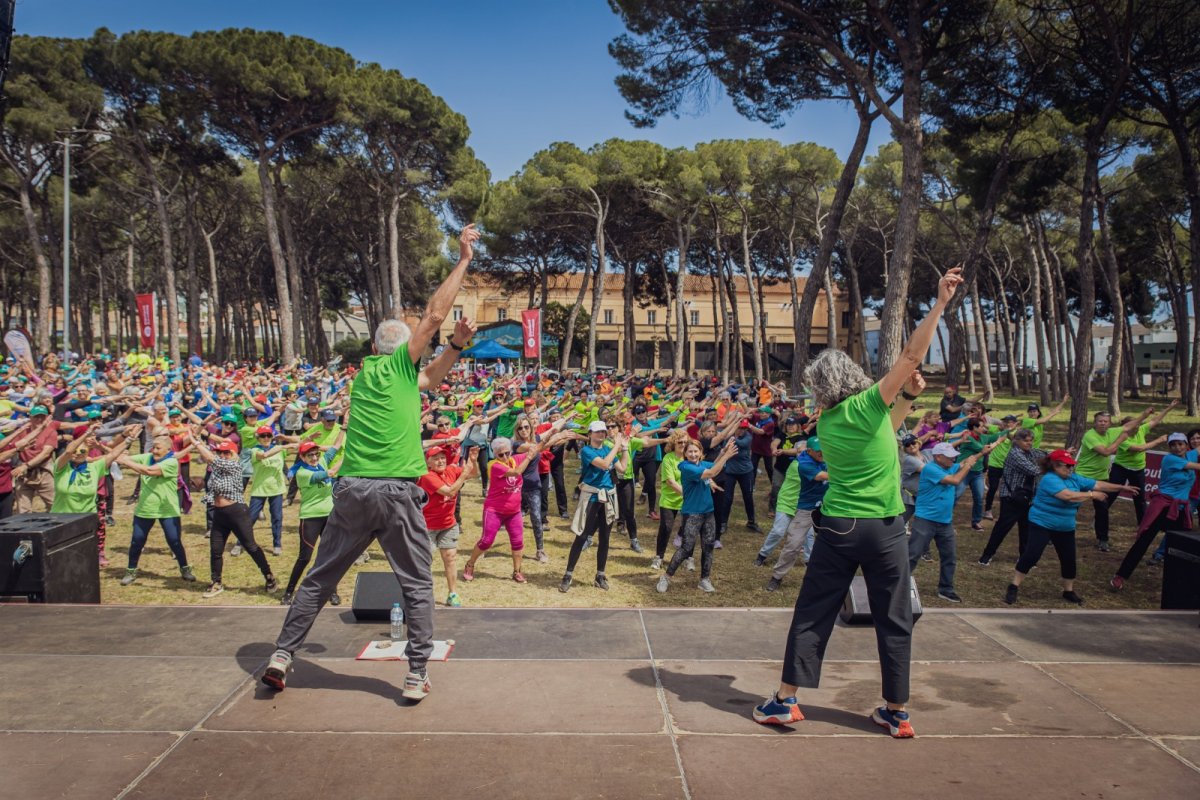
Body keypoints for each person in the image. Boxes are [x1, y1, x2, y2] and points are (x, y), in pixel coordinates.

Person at [262, 224, 481, 702]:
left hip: (353, 490)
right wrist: (463, 258)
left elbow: (431, 378)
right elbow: (434, 313)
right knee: (418, 585)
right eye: (416, 345)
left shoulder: (371, 375)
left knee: (320, 579)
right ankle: (416, 672)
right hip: (395, 492)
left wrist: (457, 347)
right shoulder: (399, 365)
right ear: (403, 349)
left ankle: (282, 655)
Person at [752, 265, 964, 739]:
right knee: (895, 618)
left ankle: (786, 701)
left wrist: (906, 398)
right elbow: (911, 353)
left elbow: (885, 435)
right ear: (853, 376)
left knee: (814, 612)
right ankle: (896, 711)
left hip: (841, 527)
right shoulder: (867, 402)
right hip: (887, 529)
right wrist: (939, 304)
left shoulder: (828, 423)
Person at [1004, 449, 1133, 606]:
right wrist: (1092, 495)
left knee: (1069, 559)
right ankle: (1014, 586)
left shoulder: (1074, 478)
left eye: (1071, 466)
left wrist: (1121, 487)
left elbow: (1098, 484)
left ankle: (1068, 591)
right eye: (1066, 466)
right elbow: (1068, 496)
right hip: (1042, 522)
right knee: (1032, 555)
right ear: (1055, 466)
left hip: (1065, 526)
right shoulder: (1049, 479)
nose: (1070, 469)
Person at [462, 425, 570, 584]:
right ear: (495, 454)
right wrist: (529, 456)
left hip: (513, 511)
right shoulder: (495, 466)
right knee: (486, 541)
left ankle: (517, 571)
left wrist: (551, 436)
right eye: (501, 454)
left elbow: (537, 448)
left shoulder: (514, 459)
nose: (505, 456)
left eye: (507, 453)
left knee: (518, 541)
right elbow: (517, 472)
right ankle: (470, 564)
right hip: (494, 510)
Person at [190, 436, 278, 599]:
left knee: (251, 547)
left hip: (236, 512)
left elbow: (210, 458)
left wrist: (195, 443)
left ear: (233, 454)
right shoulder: (217, 468)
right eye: (219, 452)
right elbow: (212, 479)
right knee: (215, 550)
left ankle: (269, 575)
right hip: (220, 515)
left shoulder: (234, 466)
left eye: (226, 453)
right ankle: (216, 582)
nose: (222, 455)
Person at [1110, 431, 1200, 591]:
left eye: (1180, 444)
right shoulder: (1169, 459)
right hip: (1162, 507)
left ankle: (1179, 581)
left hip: (1180, 509)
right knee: (1143, 541)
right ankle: (1120, 576)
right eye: (1173, 445)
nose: (1177, 448)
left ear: (1187, 445)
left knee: (1181, 545)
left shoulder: (1190, 455)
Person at [909, 442, 988, 604]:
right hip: (925, 520)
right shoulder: (930, 469)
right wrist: (968, 466)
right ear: (938, 457)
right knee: (912, 555)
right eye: (950, 457)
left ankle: (946, 589)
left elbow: (964, 463)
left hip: (945, 523)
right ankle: (899, 584)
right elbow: (955, 480)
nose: (954, 459)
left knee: (949, 557)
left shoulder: (948, 466)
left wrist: (981, 453)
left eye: (954, 456)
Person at [656, 437, 738, 594]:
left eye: (696, 451)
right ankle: (666, 577)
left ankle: (704, 580)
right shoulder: (685, 467)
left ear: (701, 453)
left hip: (708, 513)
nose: (693, 454)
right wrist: (727, 455)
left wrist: (722, 452)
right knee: (686, 548)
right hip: (692, 514)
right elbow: (712, 472)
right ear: (685, 454)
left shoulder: (702, 464)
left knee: (708, 547)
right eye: (690, 452)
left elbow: (713, 466)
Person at [115, 434, 197, 586]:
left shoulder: (171, 462)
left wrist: (125, 461)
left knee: (174, 541)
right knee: (137, 541)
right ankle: (131, 570)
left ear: (168, 449)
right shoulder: (148, 457)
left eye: (158, 448)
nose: (154, 450)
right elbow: (123, 457)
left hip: (167, 509)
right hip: (145, 508)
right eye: (154, 447)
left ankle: (185, 568)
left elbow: (149, 471)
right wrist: (119, 453)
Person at [559, 420, 628, 593]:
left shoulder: (607, 449)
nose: (601, 434)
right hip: (591, 496)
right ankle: (568, 574)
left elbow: (622, 469)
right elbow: (605, 464)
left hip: (608, 496)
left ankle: (600, 575)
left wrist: (625, 449)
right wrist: (616, 445)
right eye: (597, 432)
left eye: (603, 432)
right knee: (582, 536)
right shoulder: (587, 451)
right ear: (589, 434)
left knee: (605, 537)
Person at [280, 432, 347, 605]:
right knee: (305, 557)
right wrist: (349, 456)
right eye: (310, 455)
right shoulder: (302, 473)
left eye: (317, 453)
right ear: (302, 457)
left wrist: (344, 428)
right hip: (310, 518)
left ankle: (332, 591)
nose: (315, 457)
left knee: (330, 556)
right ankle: (288, 592)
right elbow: (331, 473)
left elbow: (336, 447)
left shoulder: (322, 461)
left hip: (329, 517)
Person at [765, 436, 829, 593]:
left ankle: (826, 579)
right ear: (809, 451)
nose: (822, 453)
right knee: (793, 544)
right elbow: (820, 476)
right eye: (818, 451)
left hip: (828, 507)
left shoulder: (828, 456)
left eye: (823, 449)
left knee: (831, 545)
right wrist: (845, 473)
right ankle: (777, 576)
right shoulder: (804, 463)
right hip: (807, 508)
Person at [417, 445, 479, 607]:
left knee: (450, 558)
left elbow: (474, 474)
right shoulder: (427, 476)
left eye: (442, 457)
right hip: (427, 526)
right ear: (428, 462)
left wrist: (473, 461)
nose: (440, 461)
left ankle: (452, 594)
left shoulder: (451, 470)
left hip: (448, 524)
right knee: (425, 561)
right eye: (435, 458)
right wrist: (464, 474)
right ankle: (423, 595)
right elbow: (450, 492)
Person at [1075, 410, 1144, 551]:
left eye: (1106, 421)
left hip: (1101, 477)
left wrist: (1145, 415)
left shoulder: (1112, 432)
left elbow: (1128, 426)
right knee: (1071, 505)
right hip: (1083, 476)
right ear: (1095, 422)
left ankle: (1102, 539)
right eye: (1100, 421)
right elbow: (1105, 452)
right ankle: (1053, 534)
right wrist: (1121, 440)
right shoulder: (1090, 435)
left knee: (1102, 508)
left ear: (1110, 423)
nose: (1103, 423)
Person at [978, 429, 1045, 566]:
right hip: (1011, 497)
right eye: (1026, 440)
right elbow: (1034, 470)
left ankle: (1024, 557)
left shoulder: (1029, 452)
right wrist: (1051, 467)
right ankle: (987, 555)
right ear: (1017, 441)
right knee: (1003, 527)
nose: (1029, 443)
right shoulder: (1015, 454)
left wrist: (1060, 454)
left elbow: (1043, 454)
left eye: (1031, 440)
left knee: (1026, 527)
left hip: (1027, 497)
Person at [1104, 402, 1175, 526]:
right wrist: (1158, 440)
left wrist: (1169, 408)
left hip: (1138, 469)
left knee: (1140, 498)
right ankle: (1100, 517)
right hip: (1120, 468)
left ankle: (1143, 524)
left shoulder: (1141, 429)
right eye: (1134, 426)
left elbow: (1155, 421)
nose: (1137, 428)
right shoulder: (1122, 437)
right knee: (1111, 494)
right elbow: (1139, 448)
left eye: (1138, 425)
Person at [652, 429, 689, 569]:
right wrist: (688, 494)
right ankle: (658, 557)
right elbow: (670, 482)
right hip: (669, 499)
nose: (683, 445)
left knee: (688, 529)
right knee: (666, 528)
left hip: (686, 500)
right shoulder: (668, 458)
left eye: (686, 442)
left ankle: (687, 557)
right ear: (674, 443)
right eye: (680, 442)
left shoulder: (690, 457)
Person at [715, 419, 758, 538]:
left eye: (744, 428)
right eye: (739, 428)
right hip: (730, 472)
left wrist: (730, 438)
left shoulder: (748, 437)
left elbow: (742, 444)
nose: (742, 430)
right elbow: (723, 448)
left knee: (748, 496)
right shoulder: (729, 437)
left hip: (746, 472)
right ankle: (723, 523)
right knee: (727, 498)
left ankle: (751, 521)